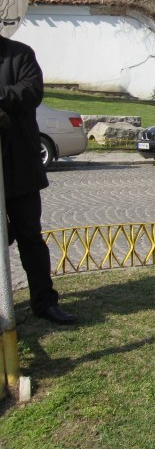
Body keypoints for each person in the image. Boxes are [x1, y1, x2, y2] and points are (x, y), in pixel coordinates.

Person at [0, 35, 76, 325]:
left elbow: (31, 93)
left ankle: (44, 302)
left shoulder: (20, 54)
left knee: (30, 237)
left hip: (20, 166)